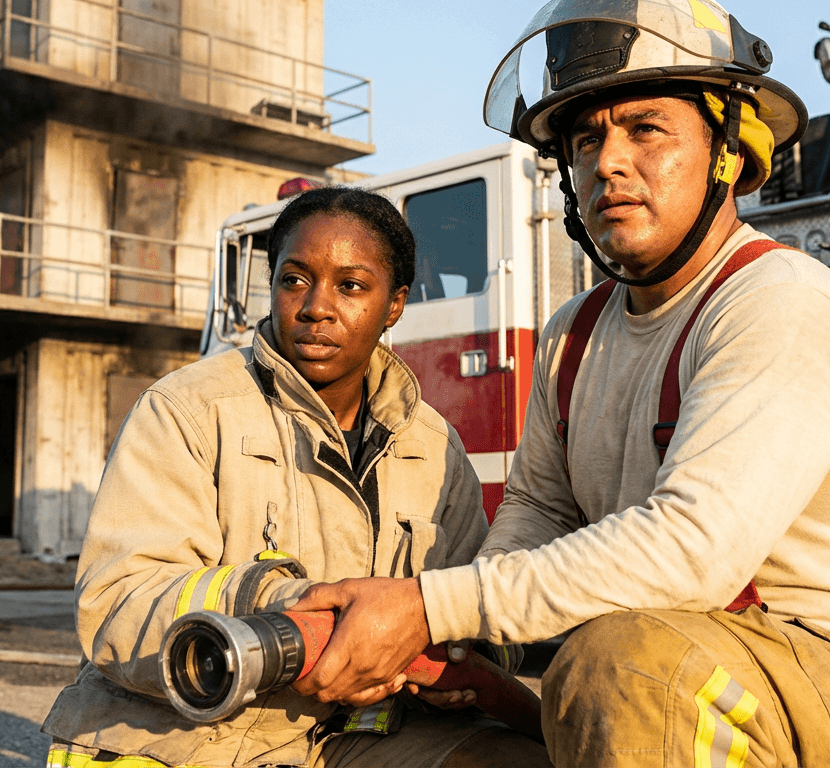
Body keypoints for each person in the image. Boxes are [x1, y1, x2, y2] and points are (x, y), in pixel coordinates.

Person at [286, 2, 830, 766]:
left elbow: (694, 550)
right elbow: (539, 509)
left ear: (725, 152)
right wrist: (465, 644)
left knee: (621, 664)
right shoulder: (572, 335)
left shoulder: (778, 301)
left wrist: (424, 606)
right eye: (586, 139)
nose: (607, 161)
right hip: (700, 658)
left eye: (645, 128)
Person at [41, 187, 551, 768]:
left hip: (361, 736)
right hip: (193, 741)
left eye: (352, 286)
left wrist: (459, 658)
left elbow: (482, 612)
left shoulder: (433, 446)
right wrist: (289, 606)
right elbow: (115, 603)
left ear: (394, 305)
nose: (316, 308)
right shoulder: (186, 410)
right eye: (295, 280)